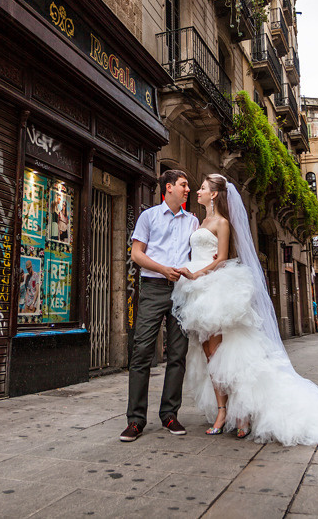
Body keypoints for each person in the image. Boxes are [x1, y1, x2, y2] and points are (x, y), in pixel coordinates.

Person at [171, 174, 318, 445]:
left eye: (203, 188)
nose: (198, 191)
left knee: (222, 356)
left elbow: (223, 258)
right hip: (197, 292)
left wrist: (197, 274)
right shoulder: (199, 221)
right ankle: (222, 411)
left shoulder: (222, 222)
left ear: (214, 194)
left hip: (215, 288)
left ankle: (241, 414)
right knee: (209, 357)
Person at [121, 169, 198, 442]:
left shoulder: (192, 221)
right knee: (141, 351)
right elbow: (136, 254)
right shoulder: (149, 216)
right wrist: (163, 269)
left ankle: (169, 414)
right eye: (183, 185)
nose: (187, 190)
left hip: (182, 291)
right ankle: (136, 420)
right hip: (153, 289)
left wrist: (189, 272)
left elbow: (197, 255)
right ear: (169, 188)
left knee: (178, 354)